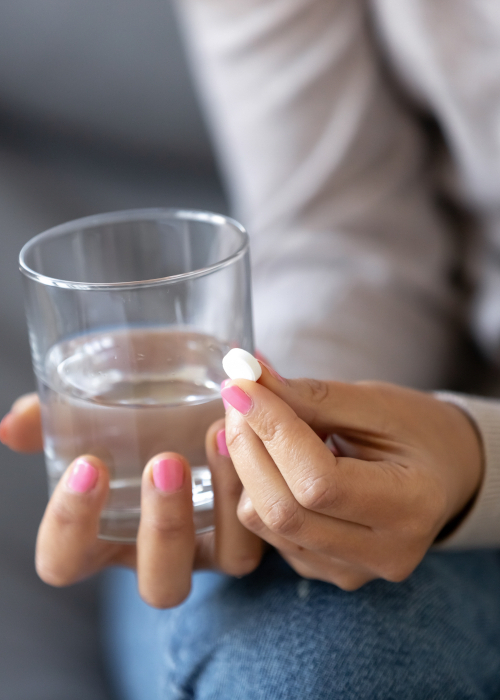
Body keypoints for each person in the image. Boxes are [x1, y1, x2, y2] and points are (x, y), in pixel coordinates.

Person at [4, 0, 500, 697]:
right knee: (314, 665)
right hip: (440, 413)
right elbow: (342, 230)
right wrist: (308, 439)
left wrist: (478, 461)